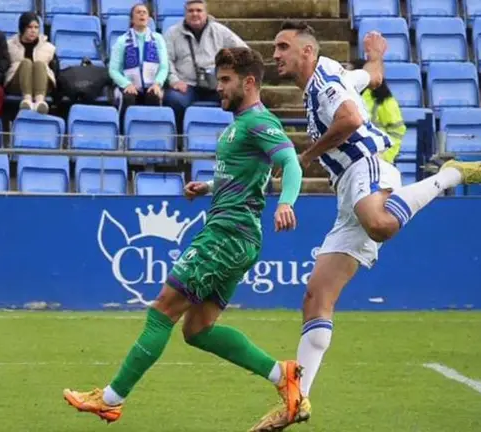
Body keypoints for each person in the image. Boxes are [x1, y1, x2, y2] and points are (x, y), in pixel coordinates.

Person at [268, 21, 481, 428]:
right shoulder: (333, 78)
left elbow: (349, 119)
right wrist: (376, 56)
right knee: (316, 295)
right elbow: (373, 77)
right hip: (346, 189)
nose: (275, 54)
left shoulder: (324, 81)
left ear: (307, 51)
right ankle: (298, 401)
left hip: (365, 167)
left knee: (380, 223)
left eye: (283, 47)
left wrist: (305, 156)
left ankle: (450, 175)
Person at [62, 47, 305, 432]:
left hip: (227, 234)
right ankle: (282, 375)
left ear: (249, 82)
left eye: (225, 80)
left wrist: (287, 202)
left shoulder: (259, 121)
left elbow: (290, 161)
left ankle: (111, 399)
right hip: (237, 236)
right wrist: (208, 186)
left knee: (162, 310)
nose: (218, 87)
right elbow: (244, 176)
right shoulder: (240, 125)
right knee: (197, 330)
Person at [163, 0, 247, 126]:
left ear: (206, 13)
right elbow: (166, 60)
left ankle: (236, 133)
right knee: (174, 100)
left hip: (216, 84)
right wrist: (174, 81)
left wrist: (229, 75)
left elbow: (244, 52)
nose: (195, 14)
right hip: (186, 85)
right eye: (191, 11)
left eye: (199, 10)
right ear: (185, 13)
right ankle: (180, 136)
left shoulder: (220, 30)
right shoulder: (172, 33)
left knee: (239, 95)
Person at [109, 3, 168, 123]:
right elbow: (113, 70)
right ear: (132, 19)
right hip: (128, 85)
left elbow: (164, 66)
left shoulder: (158, 39)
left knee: (154, 96)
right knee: (128, 97)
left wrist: (157, 83)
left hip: (152, 84)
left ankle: (152, 131)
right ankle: (123, 131)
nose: (142, 14)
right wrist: (126, 84)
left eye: (144, 12)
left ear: (148, 18)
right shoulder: (122, 41)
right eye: (138, 12)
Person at [350, 58, 405, 164]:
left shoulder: (384, 99)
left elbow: (397, 131)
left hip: (377, 159)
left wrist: (385, 156)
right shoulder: (347, 96)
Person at [4, 12, 58, 114]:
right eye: (29, 27)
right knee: (26, 63)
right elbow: (3, 67)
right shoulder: (9, 46)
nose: (33, 31)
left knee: (39, 64)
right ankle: (27, 100)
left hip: (42, 85)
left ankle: (40, 102)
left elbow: (55, 70)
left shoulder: (49, 47)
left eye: (36, 27)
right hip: (17, 84)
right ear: (22, 28)